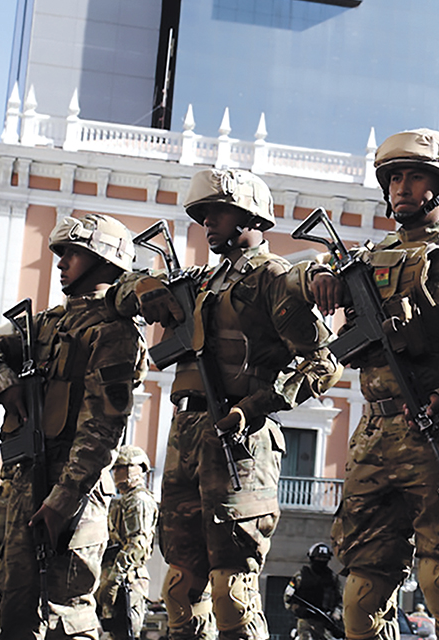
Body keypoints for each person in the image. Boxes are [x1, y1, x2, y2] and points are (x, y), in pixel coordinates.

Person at [293, 128, 439, 640]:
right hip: (374, 442)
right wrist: (321, 277)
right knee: (360, 595)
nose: (400, 187)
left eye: (414, 176)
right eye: (393, 177)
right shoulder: (365, 262)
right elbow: (306, 283)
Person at [107, 168, 342, 640]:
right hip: (188, 434)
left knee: (230, 589)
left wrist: (253, 408)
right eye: (201, 214)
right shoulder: (202, 282)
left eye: (216, 211)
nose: (205, 222)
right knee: (178, 585)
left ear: (248, 215)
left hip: (239, 442)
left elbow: (322, 363)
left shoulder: (273, 278)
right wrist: (141, 288)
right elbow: (119, 295)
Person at [0, 214, 148, 640]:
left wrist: (63, 499)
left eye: (72, 252)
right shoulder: (46, 323)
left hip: (71, 494)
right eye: (59, 251)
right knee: (15, 612)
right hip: (24, 485)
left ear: (104, 258)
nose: (61, 261)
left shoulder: (113, 331)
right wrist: (5, 385)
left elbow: (102, 429)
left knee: (65, 615)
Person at [97, 446, 159, 640]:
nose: (116, 473)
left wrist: (115, 579)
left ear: (136, 468)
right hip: (115, 575)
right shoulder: (123, 500)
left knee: (124, 634)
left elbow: (137, 544)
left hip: (127, 579)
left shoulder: (138, 500)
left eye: (121, 468)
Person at [283, 543, 341, 640]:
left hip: (326, 622)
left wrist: (335, 615)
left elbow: (341, 600)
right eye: (318, 558)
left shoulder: (332, 578)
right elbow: (288, 596)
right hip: (305, 622)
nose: (321, 561)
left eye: (324, 559)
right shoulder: (300, 576)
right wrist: (297, 608)